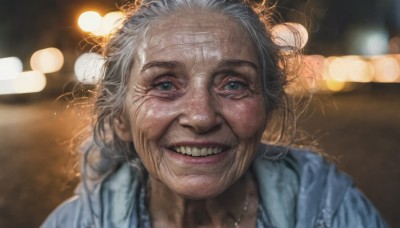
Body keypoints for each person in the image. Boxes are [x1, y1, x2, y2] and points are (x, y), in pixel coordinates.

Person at [42, 0, 388, 227]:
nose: (202, 116)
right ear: (120, 117)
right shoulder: (77, 222)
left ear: (267, 108)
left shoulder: (333, 211)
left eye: (234, 84)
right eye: (164, 85)